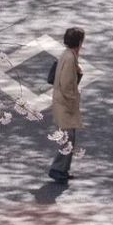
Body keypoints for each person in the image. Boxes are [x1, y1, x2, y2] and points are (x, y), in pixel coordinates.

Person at [49, 27, 84, 184]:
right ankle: (57, 169)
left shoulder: (67, 54)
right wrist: (74, 99)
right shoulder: (70, 58)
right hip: (65, 104)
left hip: (60, 102)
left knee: (68, 137)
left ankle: (63, 169)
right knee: (68, 137)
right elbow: (67, 84)